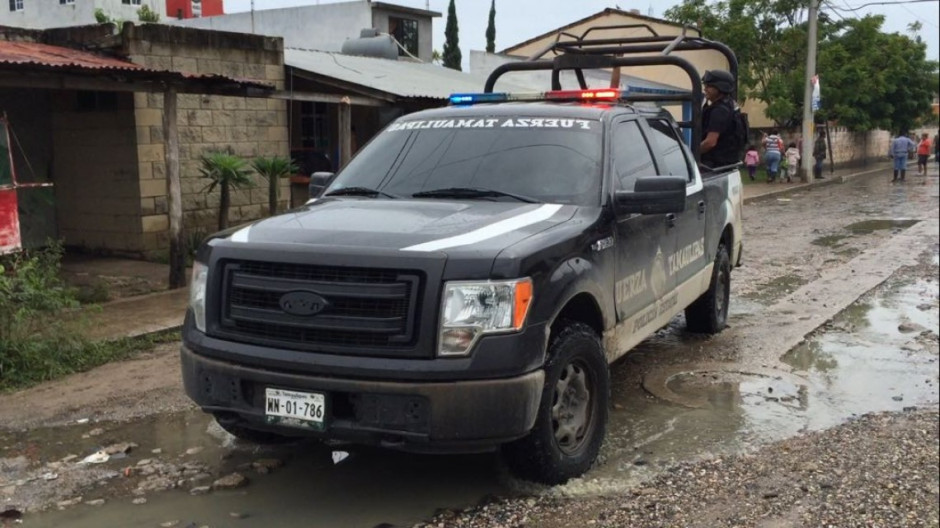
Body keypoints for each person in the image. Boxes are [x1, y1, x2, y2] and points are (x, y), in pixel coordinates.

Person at [700, 69, 742, 169]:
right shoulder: (730, 105)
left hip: (714, 166)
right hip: (724, 164)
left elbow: (710, 142)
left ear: (720, 88)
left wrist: (689, 154)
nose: (705, 89)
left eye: (709, 86)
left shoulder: (720, 110)